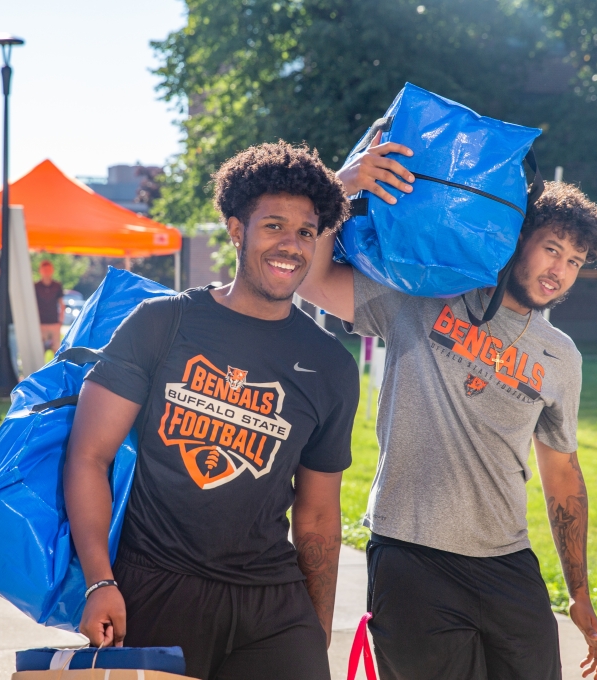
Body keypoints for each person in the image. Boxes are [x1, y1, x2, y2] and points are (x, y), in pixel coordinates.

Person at [297, 132, 597, 680]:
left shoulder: (560, 356)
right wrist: (342, 188)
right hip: (411, 556)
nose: (560, 269)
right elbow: (312, 276)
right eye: (552, 249)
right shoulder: (422, 296)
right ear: (517, 238)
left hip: (508, 563)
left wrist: (579, 594)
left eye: (576, 261)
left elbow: (563, 476)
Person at [63, 141, 359, 680]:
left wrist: (315, 634)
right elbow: (89, 455)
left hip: (273, 604)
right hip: (156, 590)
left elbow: (317, 517)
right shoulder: (162, 323)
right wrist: (100, 582)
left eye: (306, 232)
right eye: (273, 226)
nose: (291, 245)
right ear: (235, 229)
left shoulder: (331, 365)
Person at [34, 259, 65, 352]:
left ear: (52, 271)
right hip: (40, 323)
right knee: (39, 350)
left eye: (48, 269)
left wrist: (60, 321)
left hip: (54, 323)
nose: (46, 272)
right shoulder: (36, 286)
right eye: (44, 270)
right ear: (40, 271)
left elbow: (61, 304)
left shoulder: (57, 285)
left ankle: (57, 367)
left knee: (56, 350)